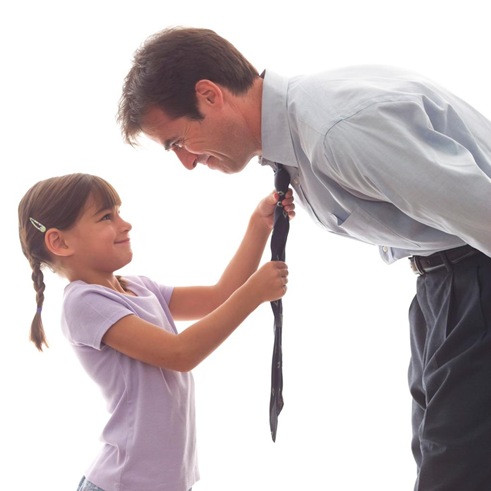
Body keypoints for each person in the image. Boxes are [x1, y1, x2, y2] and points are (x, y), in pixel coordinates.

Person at [117, 27, 491, 491]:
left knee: (456, 470)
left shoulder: (335, 130)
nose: (187, 162)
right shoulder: (300, 133)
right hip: (441, 283)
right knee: (443, 456)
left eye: (176, 141)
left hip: (475, 276)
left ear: (210, 96)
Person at [18, 173, 293, 491]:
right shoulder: (83, 301)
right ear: (59, 242)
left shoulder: (139, 288)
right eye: (107, 217)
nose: (125, 224)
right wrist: (254, 293)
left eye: (119, 212)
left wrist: (259, 225)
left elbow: (220, 296)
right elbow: (180, 353)